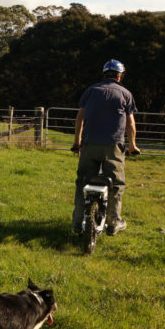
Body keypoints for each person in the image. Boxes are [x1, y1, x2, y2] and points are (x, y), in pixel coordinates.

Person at [71, 59, 141, 236]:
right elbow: (130, 124)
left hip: (89, 144)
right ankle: (113, 222)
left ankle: (77, 222)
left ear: (104, 74)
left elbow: (80, 118)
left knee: (83, 182)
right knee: (116, 184)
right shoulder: (125, 94)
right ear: (119, 75)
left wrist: (77, 142)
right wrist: (132, 146)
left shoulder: (91, 91)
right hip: (113, 145)